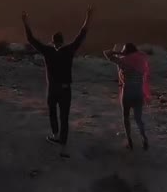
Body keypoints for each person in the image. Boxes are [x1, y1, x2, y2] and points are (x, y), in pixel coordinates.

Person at [22, 8, 92, 157]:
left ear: (53, 42)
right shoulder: (68, 50)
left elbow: (31, 39)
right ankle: (63, 141)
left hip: (53, 89)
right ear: (63, 41)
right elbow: (82, 34)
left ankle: (55, 134)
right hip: (66, 89)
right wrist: (88, 17)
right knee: (64, 116)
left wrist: (25, 22)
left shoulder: (48, 51)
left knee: (53, 112)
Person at [104, 43, 151, 151]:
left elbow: (106, 53)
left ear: (126, 52)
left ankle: (130, 141)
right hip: (139, 92)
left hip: (128, 91)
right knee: (138, 119)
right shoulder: (141, 61)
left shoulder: (123, 61)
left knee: (126, 117)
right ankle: (144, 138)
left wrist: (119, 53)